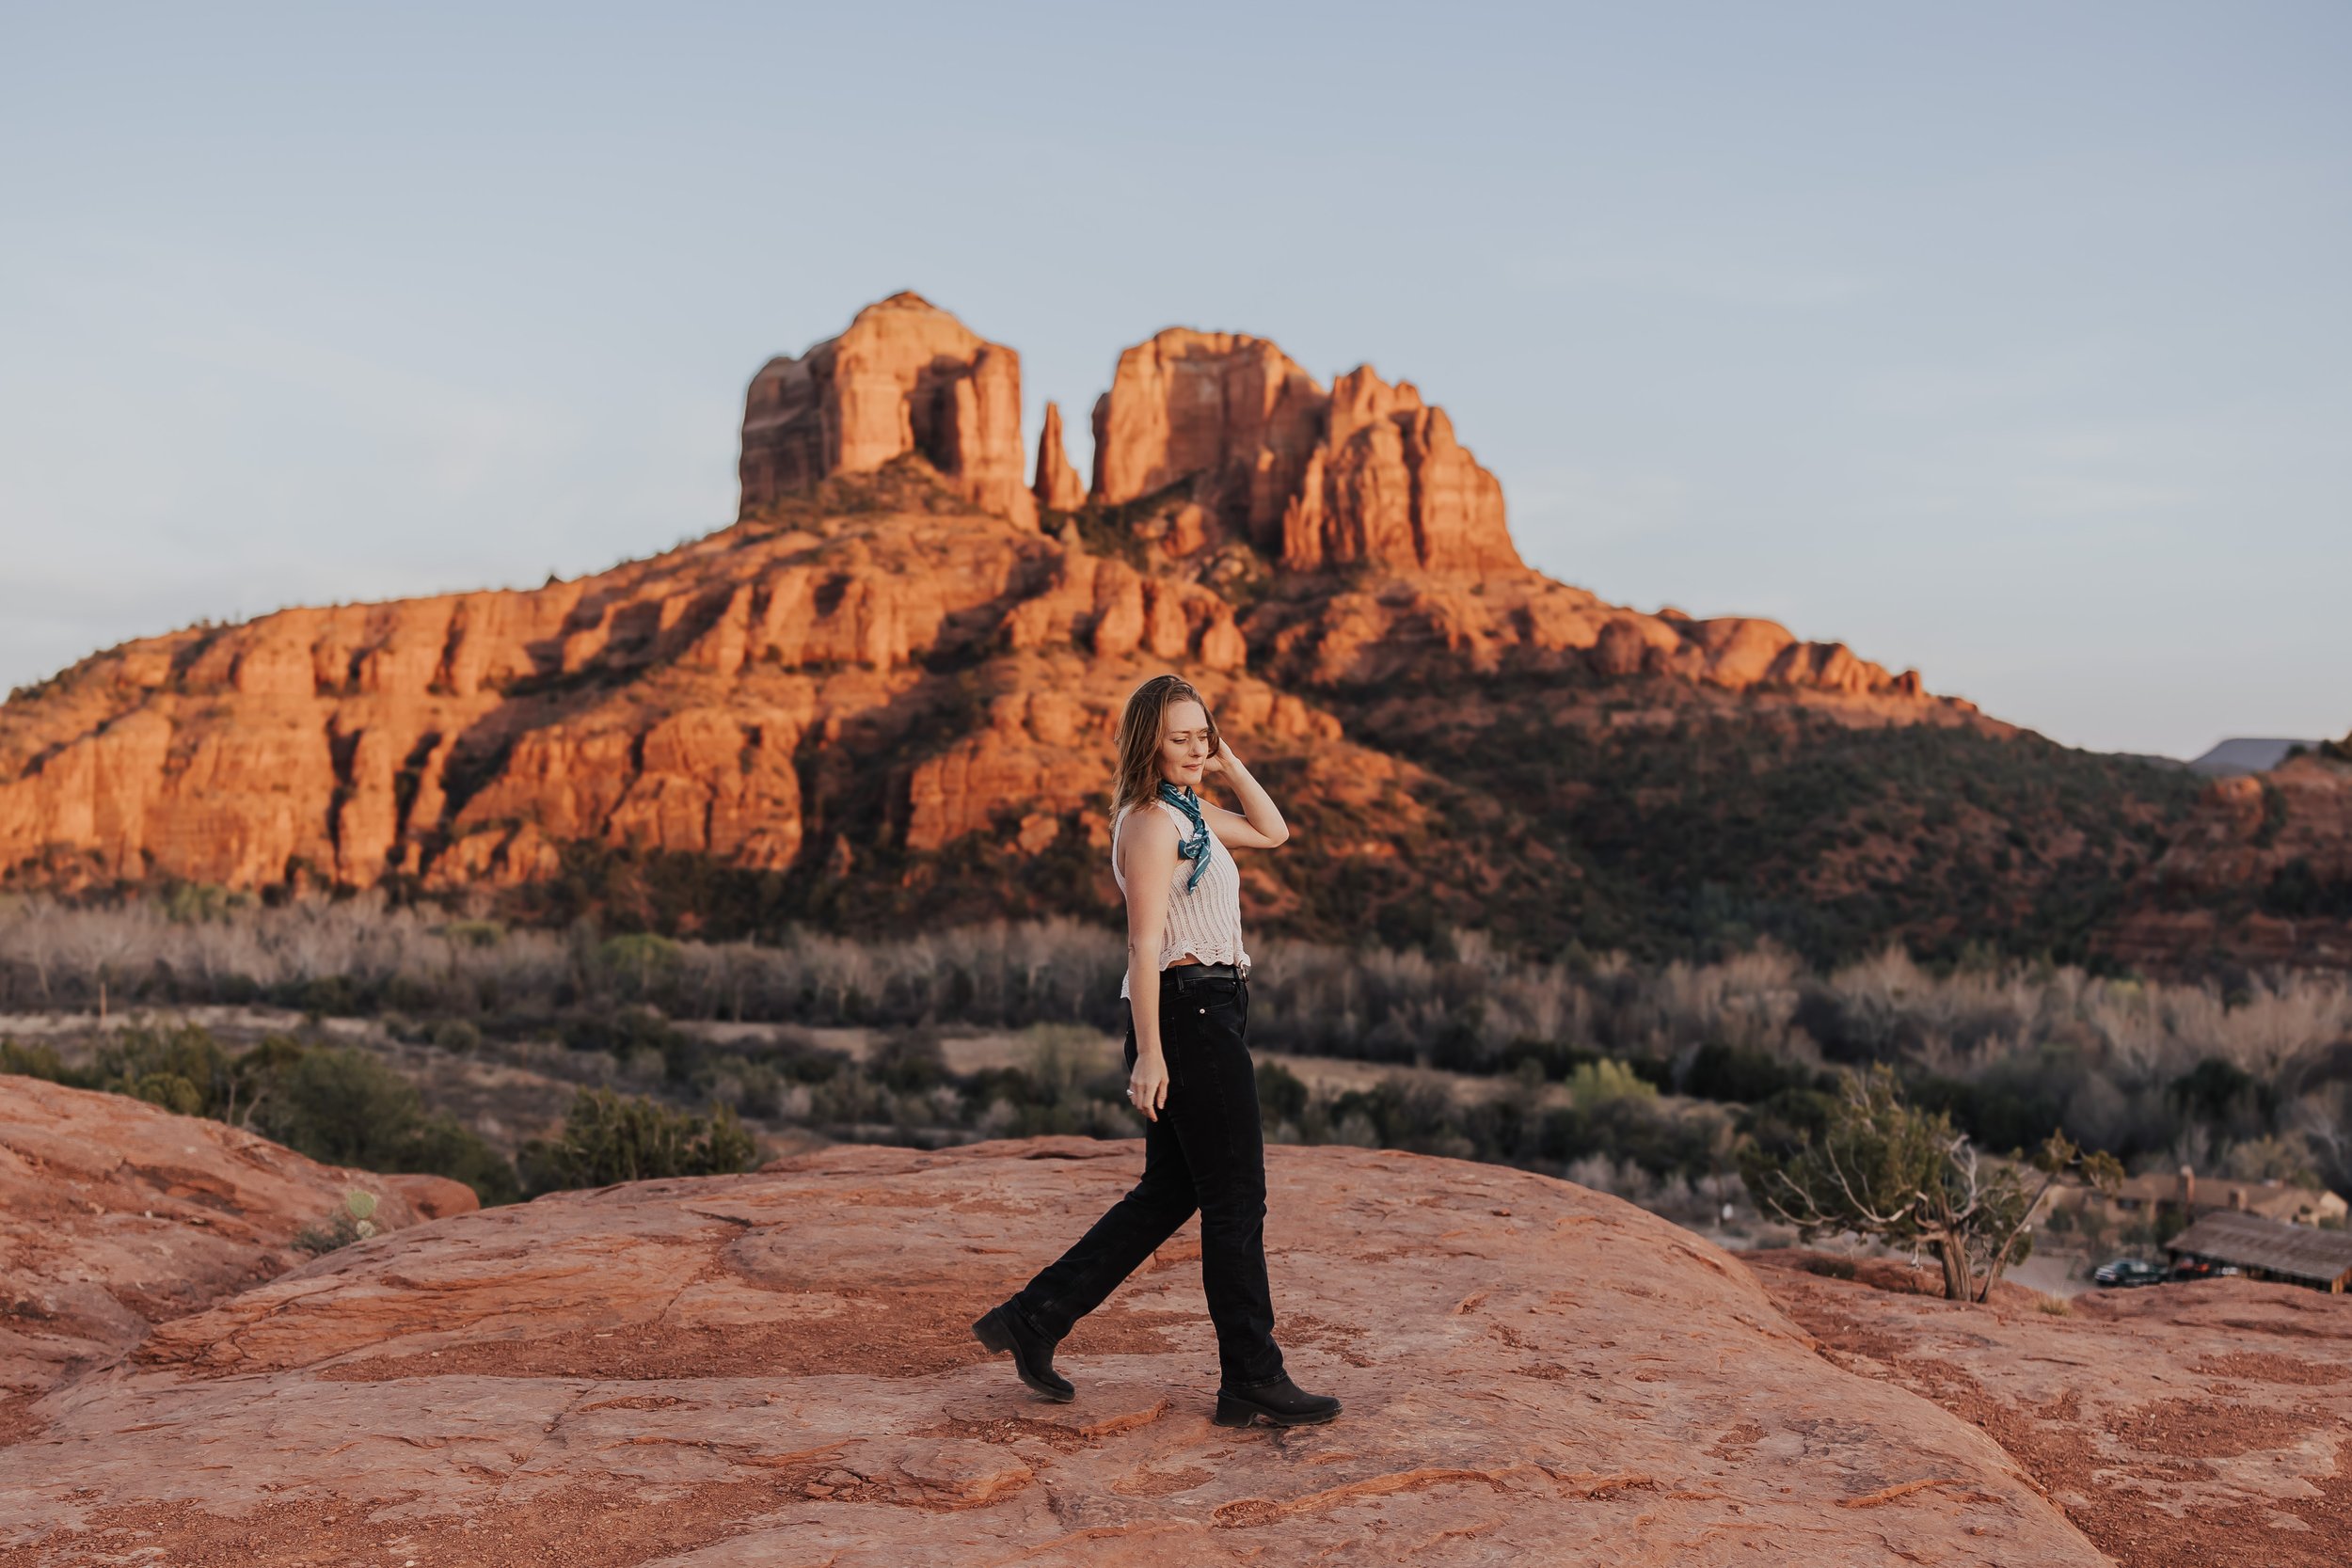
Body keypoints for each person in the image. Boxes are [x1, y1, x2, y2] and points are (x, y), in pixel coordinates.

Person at [971, 673, 1342, 1428]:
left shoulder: (1189, 813)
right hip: (1186, 1014)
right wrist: (1150, 1053)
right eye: (1181, 737)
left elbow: (1275, 832)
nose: (1196, 747)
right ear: (1148, 741)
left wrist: (1229, 763)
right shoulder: (1148, 823)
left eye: (1203, 733)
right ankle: (1252, 1375)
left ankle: (1035, 1317)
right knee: (1237, 1198)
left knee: (1170, 1193)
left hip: (1211, 1010)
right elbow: (1142, 945)